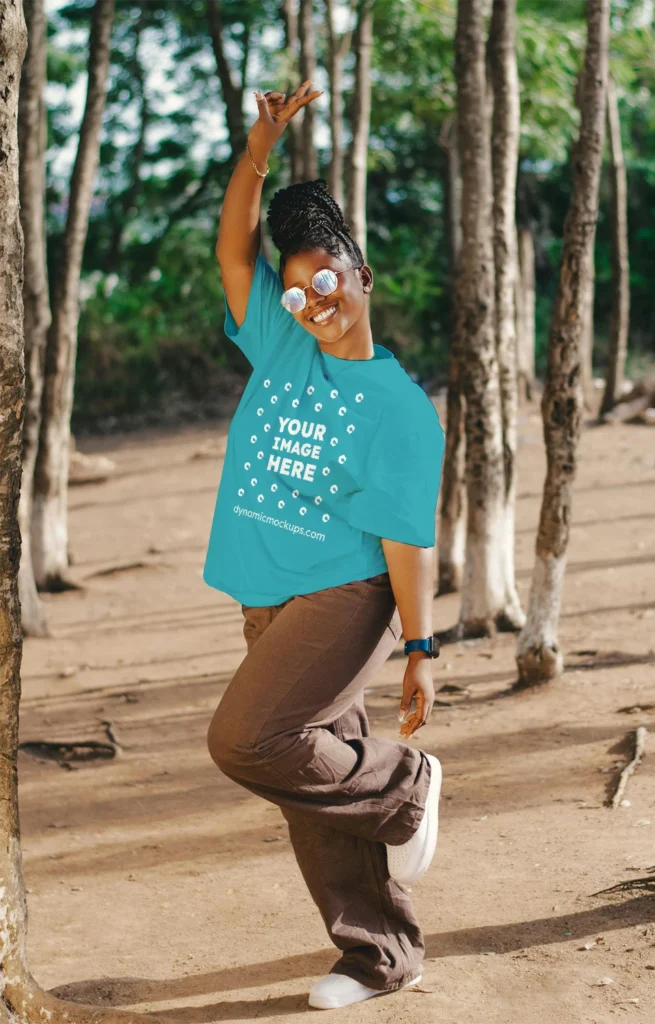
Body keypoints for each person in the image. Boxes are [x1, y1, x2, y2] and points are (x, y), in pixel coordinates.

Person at [202, 80, 446, 1011]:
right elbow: (232, 247)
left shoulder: (395, 407)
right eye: (297, 286)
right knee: (308, 770)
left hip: (346, 596)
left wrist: (419, 649)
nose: (311, 300)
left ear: (362, 277)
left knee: (250, 739)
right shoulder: (280, 343)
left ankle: (406, 788)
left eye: (326, 280)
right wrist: (260, 145)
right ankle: (378, 954)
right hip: (266, 588)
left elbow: (404, 538)